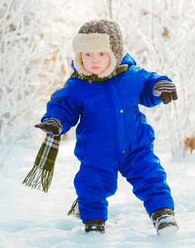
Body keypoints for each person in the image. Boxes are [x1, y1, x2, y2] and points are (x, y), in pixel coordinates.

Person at [35, 19, 178, 235]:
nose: (94, 60)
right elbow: (63, 107)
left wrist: (159, 86)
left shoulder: (132, 76)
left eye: (101, 54)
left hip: (135, 146)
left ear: (114, 53)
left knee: (151, 176)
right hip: (97, 151)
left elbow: (149, 84)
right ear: (79, 55)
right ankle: (93, 223)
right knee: (91, 185)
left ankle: (163, 214)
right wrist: (55, 121)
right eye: (88, 54)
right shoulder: (77, 86)